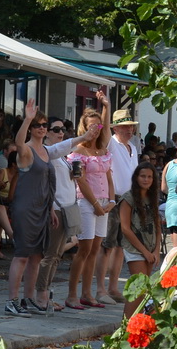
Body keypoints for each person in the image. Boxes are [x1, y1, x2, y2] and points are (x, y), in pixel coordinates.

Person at [6, 107, 57, 316]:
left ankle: (28, 299)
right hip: (25, 208)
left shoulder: (46, 150)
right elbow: (18, 144)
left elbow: (45, 182)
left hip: (42, 208)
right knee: (22, 255)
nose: (42, 129)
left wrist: (51, 208)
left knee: (36, 256)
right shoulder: (27, 149)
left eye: (44, 125)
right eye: (38, 125)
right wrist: (27, 120)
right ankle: (12, 300)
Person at [35, 114, 86, 312]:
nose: (60, 133)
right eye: (56, 130)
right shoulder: (47, 152)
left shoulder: (62, 156)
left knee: (56, 255)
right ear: (46, 132)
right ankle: (41, 296)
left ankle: (46, 294)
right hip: (56, 209)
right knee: (50, 255)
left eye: (63, 130)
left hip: (67, 208)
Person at [65, 111, 115, 309]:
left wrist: (111, 200)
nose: (95, 130)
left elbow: (109, 178)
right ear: (84, 128)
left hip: (103, 202)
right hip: (87, 202)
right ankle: (71, 294)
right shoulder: (78, 150)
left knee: (95, 249)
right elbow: (81, 180)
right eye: (91, 126)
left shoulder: (103, 150)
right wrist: (96, 204)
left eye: (98, 126)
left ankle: (87, 292)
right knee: (84, 249)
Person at [101, 106, 140, 303]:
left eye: (131, 127)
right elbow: (104, 129)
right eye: (125, 127)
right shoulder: (112, 144)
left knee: (120, 246)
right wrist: (106, 106)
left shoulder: (133, 147)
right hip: (114, 198)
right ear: (116, 128)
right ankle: (101, 288)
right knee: (108, 245)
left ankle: (113, 287)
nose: (129, 130)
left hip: (128, 200)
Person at [118, 162, 163, 319]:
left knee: (144, 291)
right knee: (138, 289)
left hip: (150, 248)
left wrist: (156, 250)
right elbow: (125, 228)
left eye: (150, 177)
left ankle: (136, 324)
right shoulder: (128, 198)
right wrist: (144, 252)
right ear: (136, 177)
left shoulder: (152, 198)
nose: (146, 179)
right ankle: (125, 327)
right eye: (143, 176)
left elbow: (157, 226)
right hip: (135, 248)